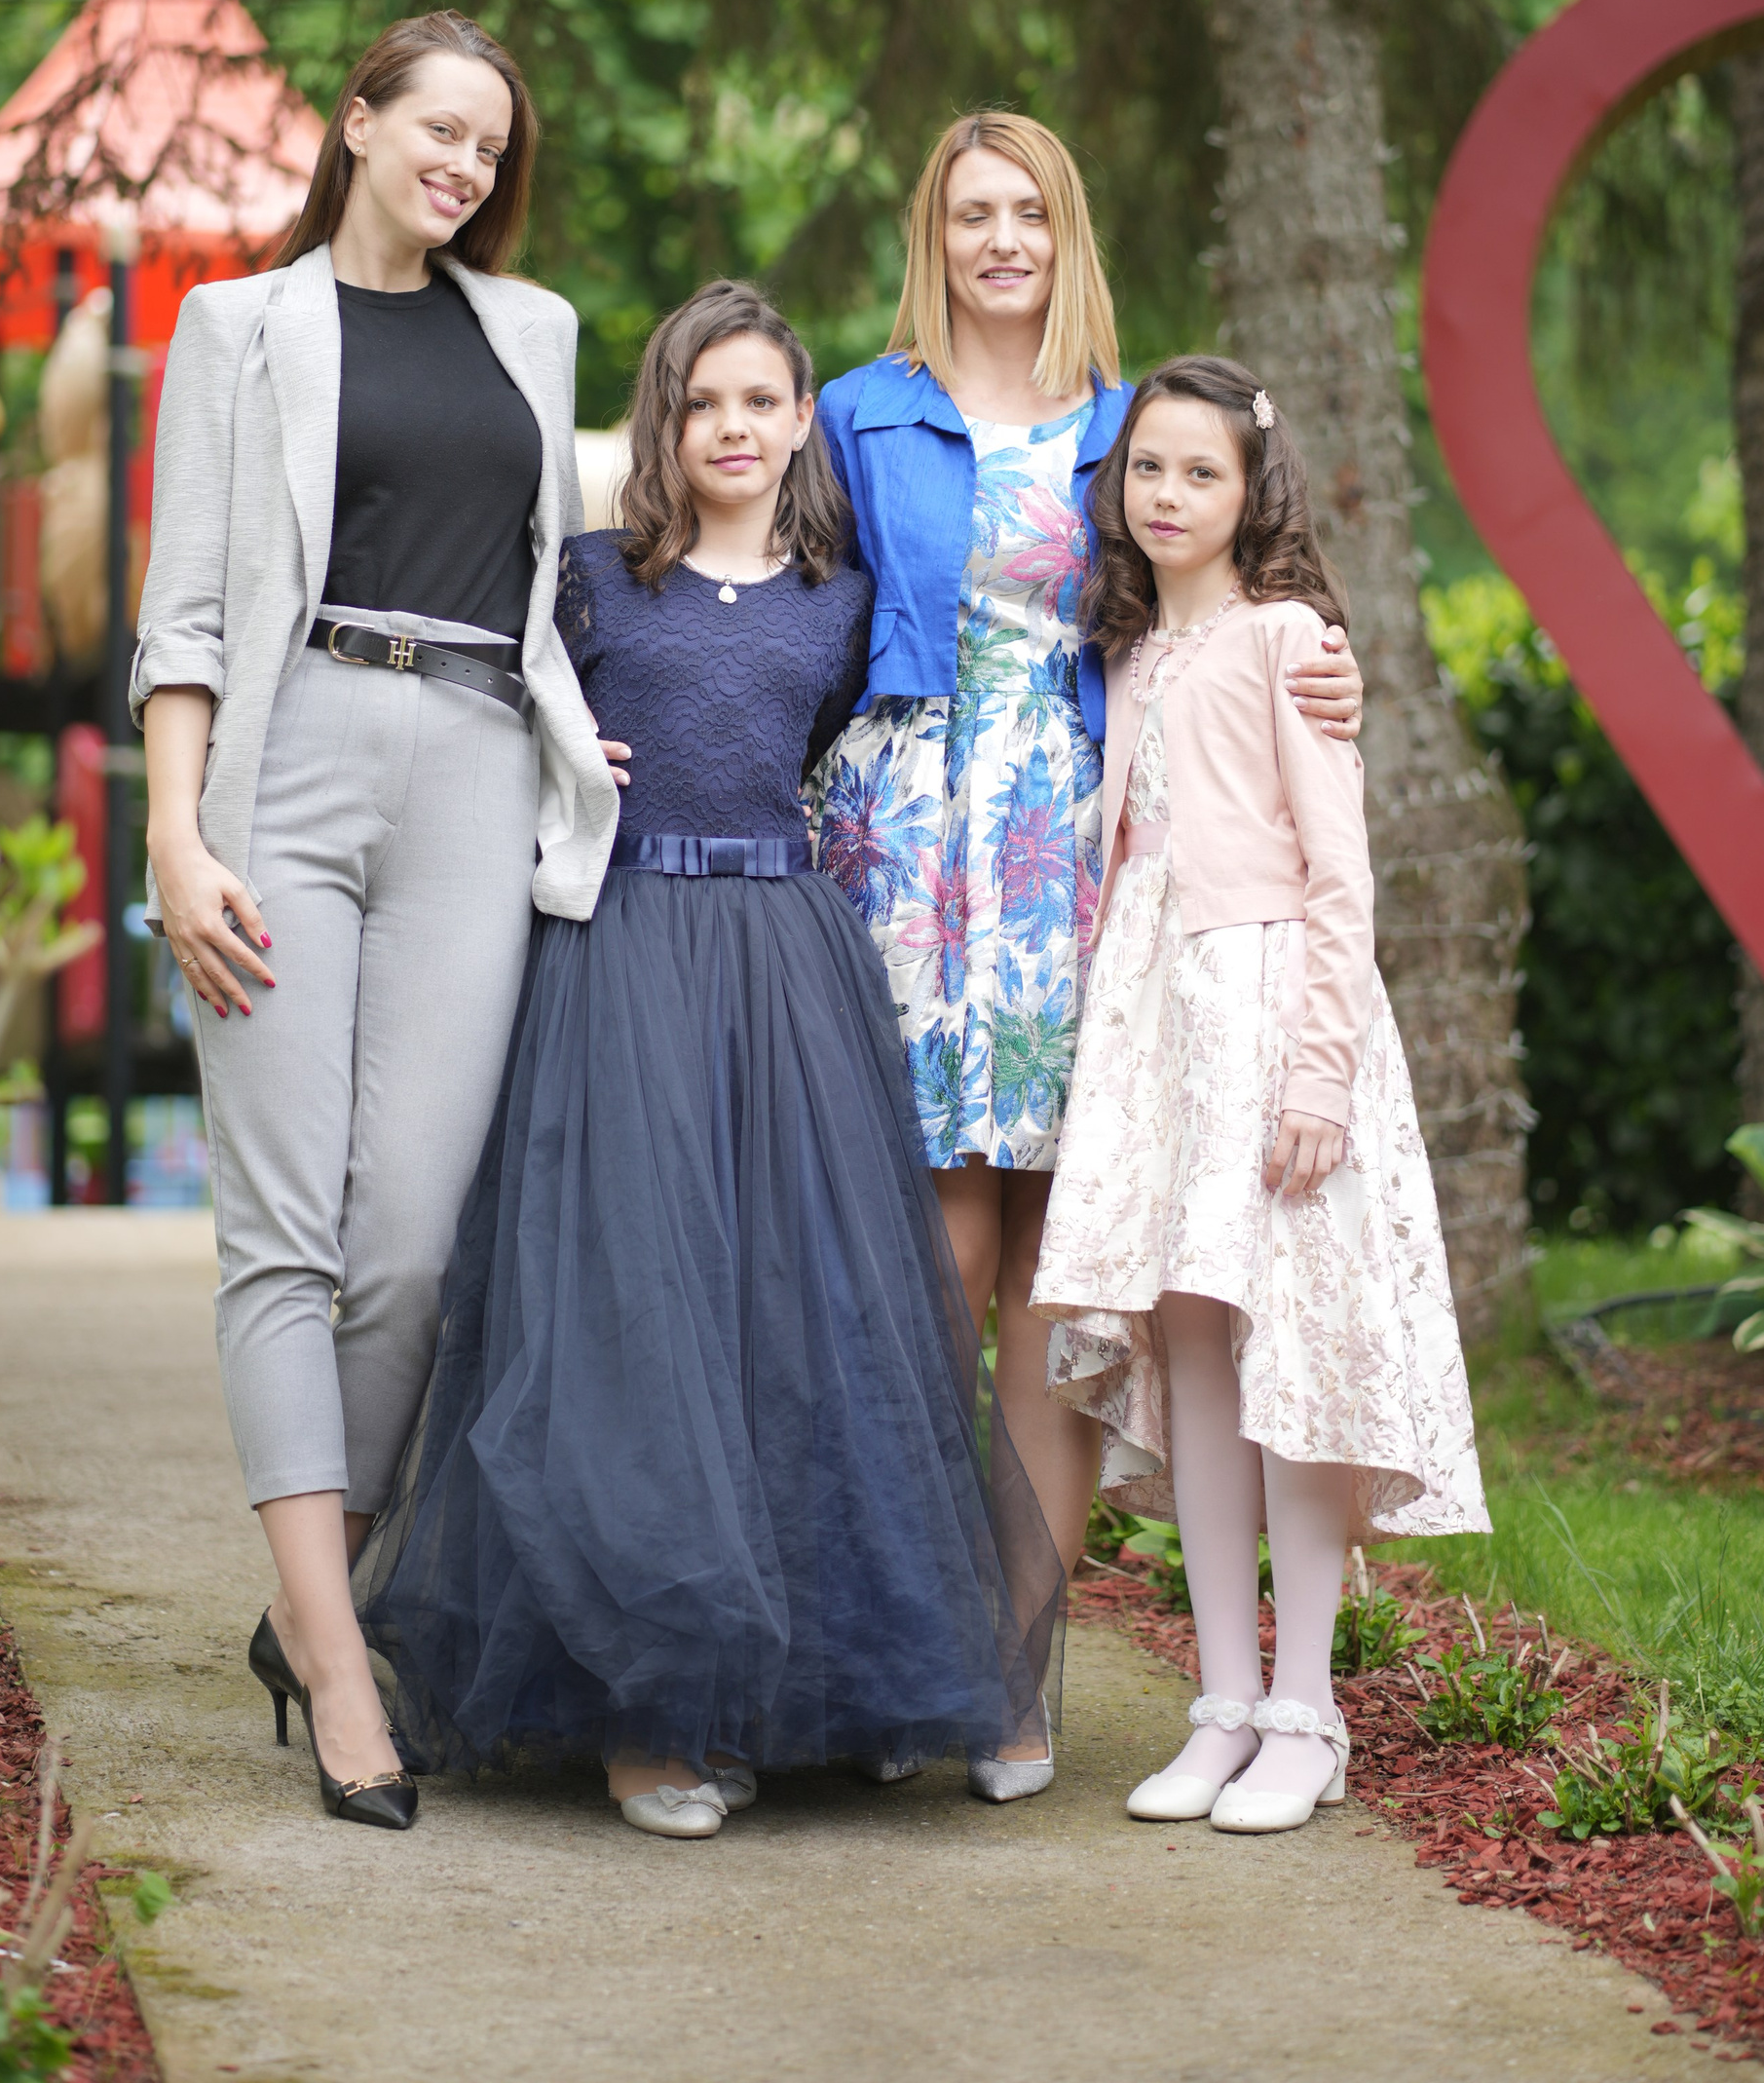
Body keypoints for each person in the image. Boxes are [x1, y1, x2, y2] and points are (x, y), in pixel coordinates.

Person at [356, 281, 1064, 1837]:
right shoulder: (590, 583)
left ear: (804, 420)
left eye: (760, 401)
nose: (732, 428)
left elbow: (895, 739)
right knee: (638, 1310)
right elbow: (490, 720)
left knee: (800, 1315)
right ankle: (648, 1718)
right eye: (701, 403)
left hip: (785, 968)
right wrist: (552, 770)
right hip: (622, 958)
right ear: (661, 424)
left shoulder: (845, 600)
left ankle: (831, 1686)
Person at [811, 112, 1363, 1787]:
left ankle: (1012, 1677)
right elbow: (786, 608)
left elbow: (1235, 600)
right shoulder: (857, 413)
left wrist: (1329, 662)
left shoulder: (1132, 429)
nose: (1001, 241)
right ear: (934, 234)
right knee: (931, 1262)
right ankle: (900, 1648)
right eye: (971, 212)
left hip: (1083, 853)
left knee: (1062, 1276)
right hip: (908, 849)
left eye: (1030, 213)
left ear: (1068, 237)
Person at [135, 12, 618, 1830]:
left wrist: (586, 721)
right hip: (290, 766)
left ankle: (304, 1591)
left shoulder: (533, 330)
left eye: (492, 147)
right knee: (285, 1230)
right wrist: (177, 838)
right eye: (440, 129)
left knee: (411, 1239)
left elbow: (559, 579)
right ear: (357, 123)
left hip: (477, 767)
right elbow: (187, 614)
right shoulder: (239, 327)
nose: (466, 166)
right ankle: (340, 1665)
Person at [1031, 357, 1487, 1836]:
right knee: (1195, 1348)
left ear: (1252, 490)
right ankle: (1223, 1703)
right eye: (1147, 469)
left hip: (1270, 1015)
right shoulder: (1126, 654)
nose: (1168, 496)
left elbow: (1340, 874)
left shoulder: (1289, 638)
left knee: (1289, 1357)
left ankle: (1307, 1710)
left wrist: (1320, 1071)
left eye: (1201, 472)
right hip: (1155, 1028)